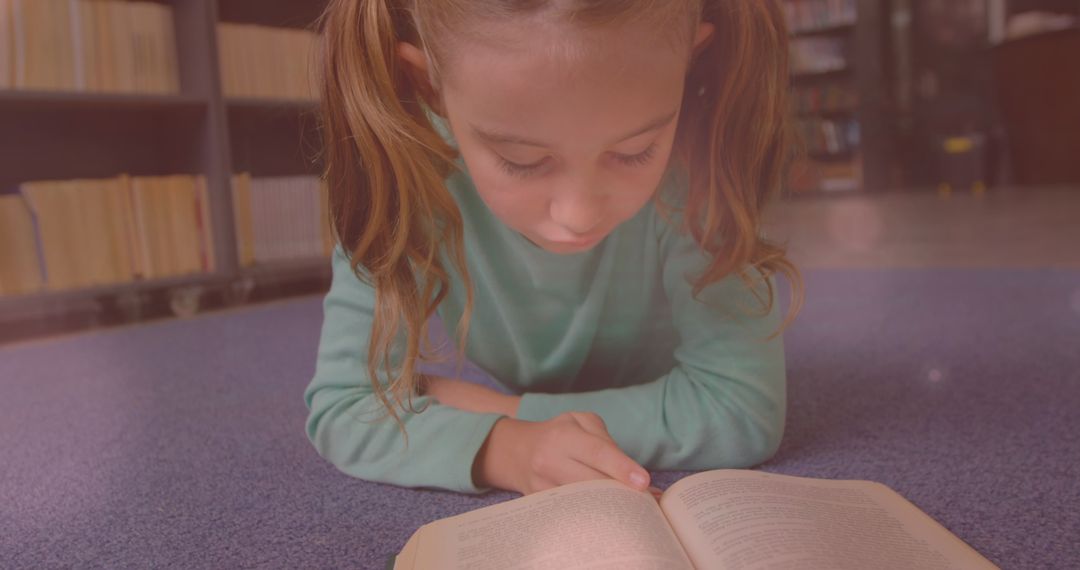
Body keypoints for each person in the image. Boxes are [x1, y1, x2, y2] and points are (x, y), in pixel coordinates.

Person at [304, 0, 804, 498]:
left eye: (635, 151)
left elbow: (742, 411)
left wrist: (502, 411)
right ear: (427, 84)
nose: (579, 215)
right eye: (521, 160)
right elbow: (348, 403)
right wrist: (508, 451)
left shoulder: (698, 158)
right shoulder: (408, 166)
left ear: (690, 60)